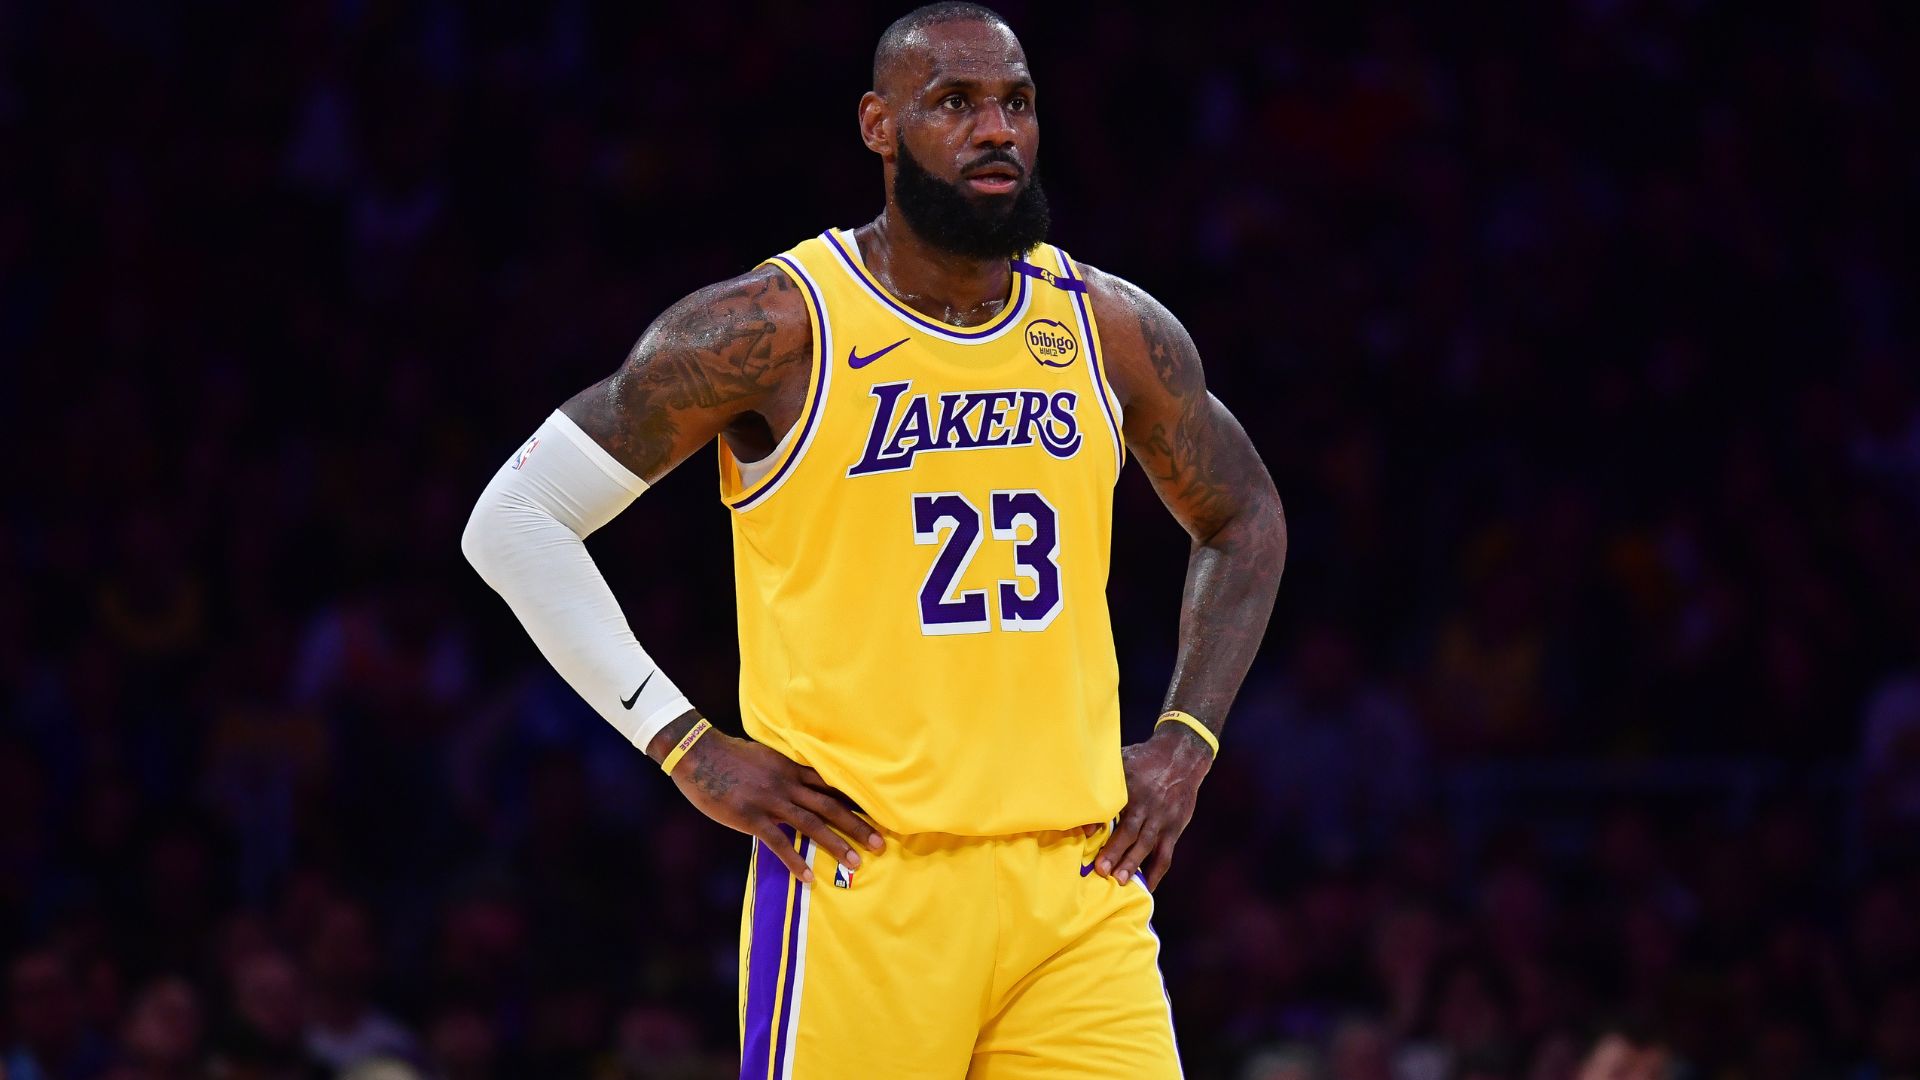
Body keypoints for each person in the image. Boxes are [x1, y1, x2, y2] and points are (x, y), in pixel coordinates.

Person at [462, 3, 1286, 1075]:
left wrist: (1187, 741)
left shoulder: (1110, 328)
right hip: (866, 879)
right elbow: (515, 521)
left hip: (1077, 887)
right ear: (878, 126)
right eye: (954, 103)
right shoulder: (774, 327)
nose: (996, 130)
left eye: (1017, 103)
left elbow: (1244, 512)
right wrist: (682, 745)